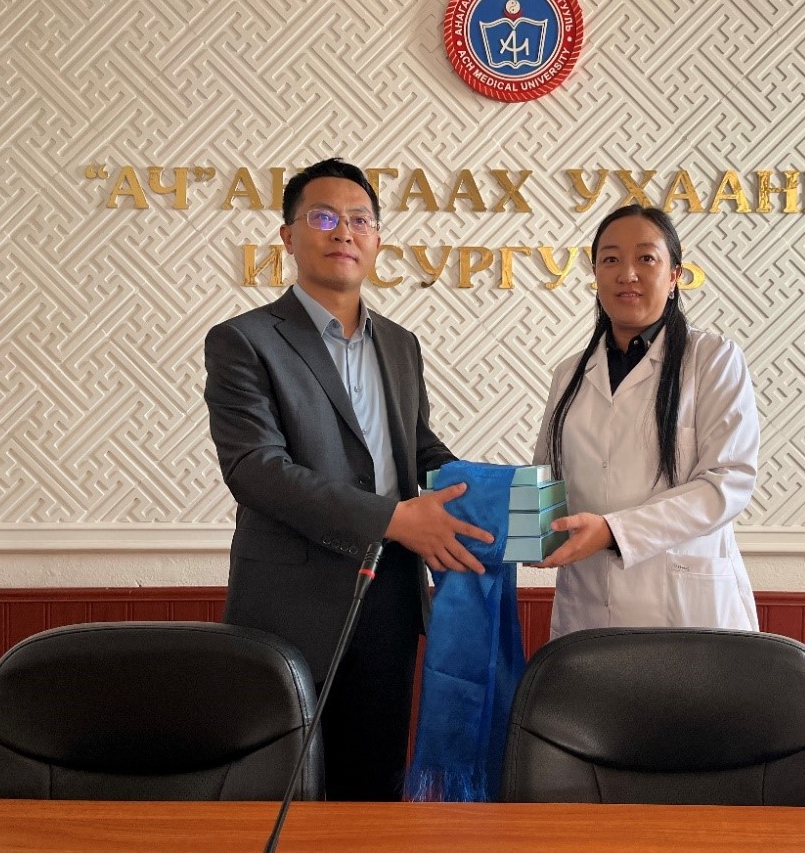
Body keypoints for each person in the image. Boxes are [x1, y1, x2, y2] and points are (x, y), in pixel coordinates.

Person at [203, 158, 492, 801]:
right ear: (288, 236)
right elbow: (256, 469)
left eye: (359, 220)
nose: (343, 232)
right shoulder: (244, 341)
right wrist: (394, 519)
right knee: (282, 790)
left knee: (373, 787)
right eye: (324, 217)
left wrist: (492, 496)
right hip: (290, 603)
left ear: (377, 240)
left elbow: (416, 450)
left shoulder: (400, 344)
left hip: (390, 595)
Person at [533, 204, 760, 637]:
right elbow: (546, 480)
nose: (627, 274)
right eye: (611, 259)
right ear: (595, 274)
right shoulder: (569, 374)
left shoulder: (713, 360)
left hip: (687, 610)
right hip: (588, 605)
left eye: (646, 258)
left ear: (674, 275)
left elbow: (727, 483)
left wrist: (613, 531)